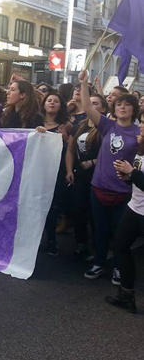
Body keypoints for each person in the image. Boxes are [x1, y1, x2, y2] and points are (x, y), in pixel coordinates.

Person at [78, 70, 140, 283]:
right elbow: (87, 107)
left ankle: (118, 267)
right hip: (99, 187)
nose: (122, 107)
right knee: (100, 229)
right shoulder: (107, 125)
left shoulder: (139, 132)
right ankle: (99, 263)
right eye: (119, 104)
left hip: (123, 192)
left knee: (119, 234)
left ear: (134, 109)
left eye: (127, 104)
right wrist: (84, 84)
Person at [65, 93, 108, 261]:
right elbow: (70, 150)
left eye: (96, 103)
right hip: (79, 176)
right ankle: (81, 243)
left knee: (96, 215)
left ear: (103, 108)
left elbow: (112, 153)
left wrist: (93, 162)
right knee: (78, 211)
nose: (91, 106)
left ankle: (99, 250)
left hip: (99, 177)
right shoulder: (79, 126)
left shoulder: (108, 128)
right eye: (89, 103)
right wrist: (69, 170)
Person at [108, 155, 144, 313]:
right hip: (135, 207)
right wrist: (127, 177)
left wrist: (132, 173)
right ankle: (126, 295)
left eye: (142, 128)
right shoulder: (141, 148)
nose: (140, 129)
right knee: (120, 247)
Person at [38, 92, 72, 256]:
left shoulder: (65, 125)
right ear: (43, 104)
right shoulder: (35, 121)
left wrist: (64, 138)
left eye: (56, 101)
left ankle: (51, 241)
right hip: (36, 168)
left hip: (55, 169)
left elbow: (69, 151)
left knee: (50, 207)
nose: (52, 103)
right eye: (49, 100)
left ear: (61, 106)